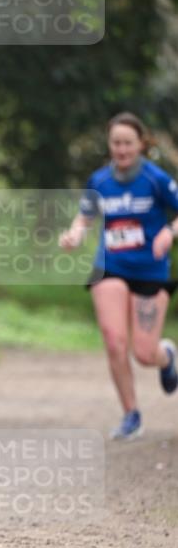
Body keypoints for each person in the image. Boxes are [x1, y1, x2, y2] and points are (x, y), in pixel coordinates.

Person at [60, 112, 178, 440]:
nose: (122, 149)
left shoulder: (155, 179)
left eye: (128, 143)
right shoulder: (99, 181)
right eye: (116, 143)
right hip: (111, 266)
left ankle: (166, 356)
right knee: (114, 341)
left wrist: (169, 232)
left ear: (142, 144)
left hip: (151, 271)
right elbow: (84, 218)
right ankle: (131, 415)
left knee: (143, 352)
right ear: (109, 145)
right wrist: (74, 235)